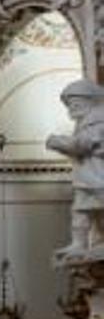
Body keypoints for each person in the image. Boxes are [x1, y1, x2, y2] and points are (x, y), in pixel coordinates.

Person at [46, 79, 104, 257]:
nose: (71, 109)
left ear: (89, 101)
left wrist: (57, 142)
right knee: (80, 210)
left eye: (75, 104)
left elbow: (82, 145)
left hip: (98, 175)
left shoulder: (97, 121)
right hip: (86, 175)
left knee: (101, 209)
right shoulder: (84, 122)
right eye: (69, 105)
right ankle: (78, 244)